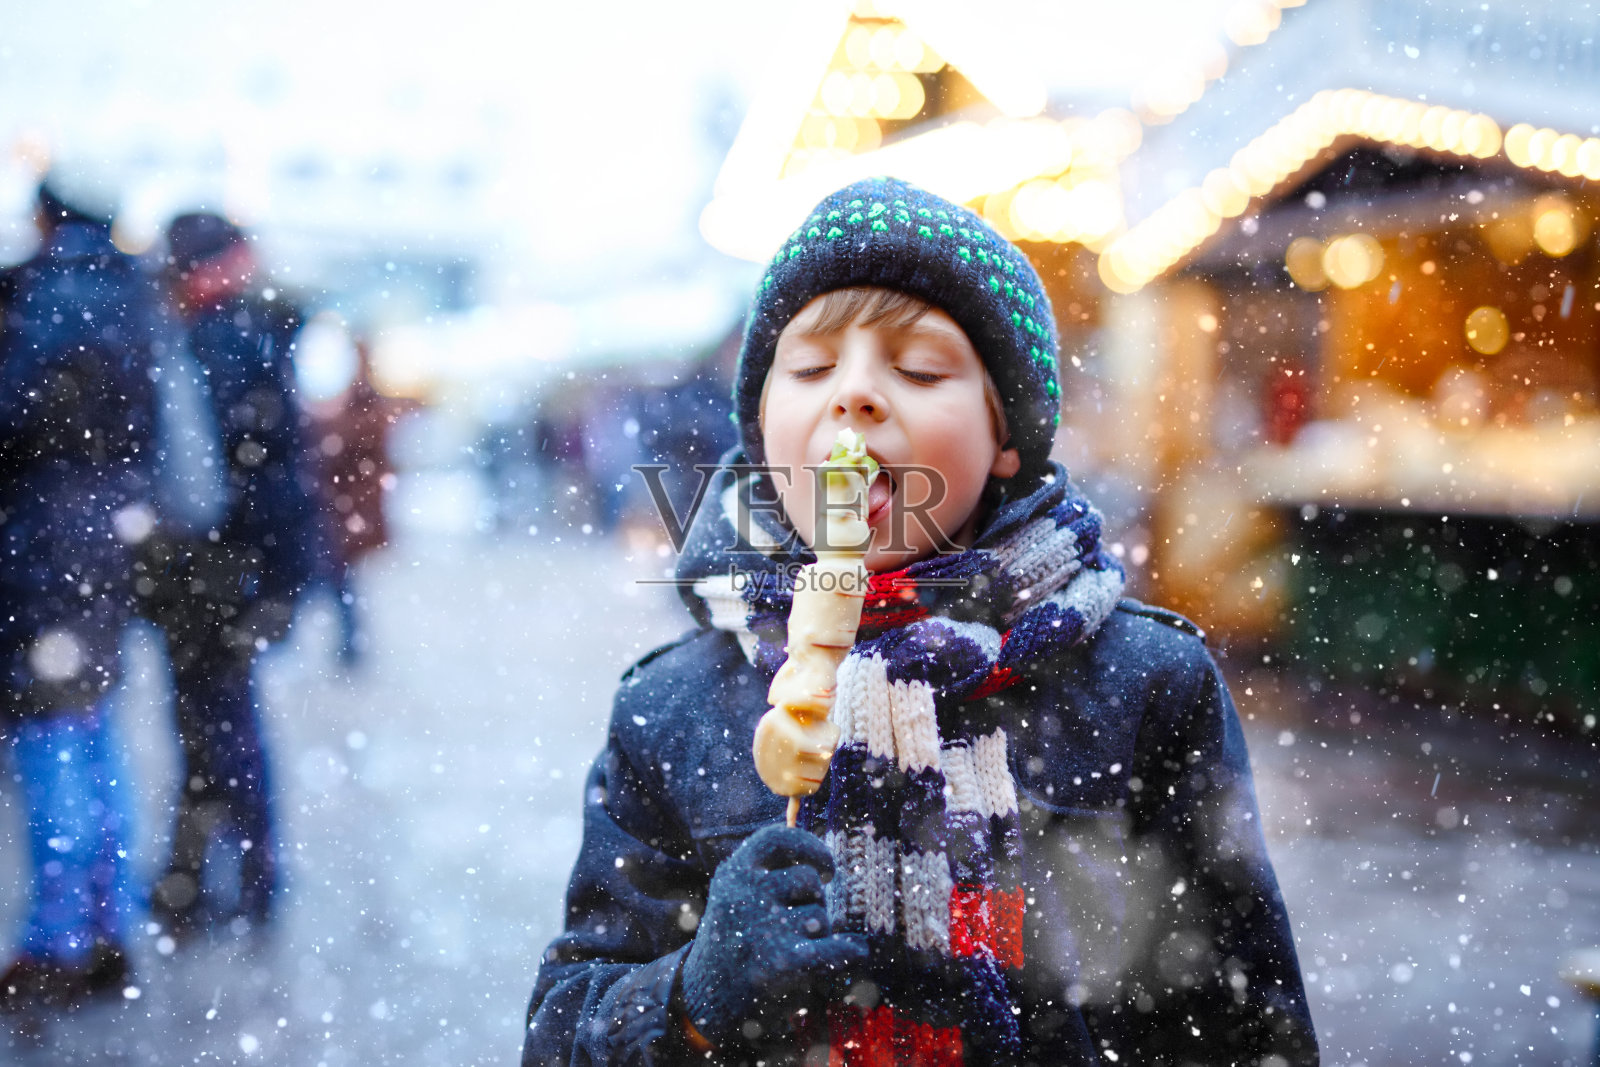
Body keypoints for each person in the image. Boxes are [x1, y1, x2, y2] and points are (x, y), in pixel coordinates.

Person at [522, 178, 1318, 1066]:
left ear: (1005, 435)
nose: (855, 395)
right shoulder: (670, 710)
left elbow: (1250, 1029)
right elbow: (560, 1034)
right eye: (812, 368)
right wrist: (692, 1000)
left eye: (920, 369)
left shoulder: (1144, 683)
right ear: (762, 427)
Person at [0, 177, 159, 1009]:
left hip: (46, 542)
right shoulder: (130, 294)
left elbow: (19, 416)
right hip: (105, 536)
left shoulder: (50, 297)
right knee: (89, 724)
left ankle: (57, 941)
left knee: (51, 731)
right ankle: (107, 923)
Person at [138, 211, 318, 938]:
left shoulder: (227, 337)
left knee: (217, 726)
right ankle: (220, 876)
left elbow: (269, 470)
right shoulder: (240, 332)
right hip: (220, 567)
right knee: (215, 723)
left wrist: (275, 580)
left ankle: (225, 877)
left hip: (217, 566)